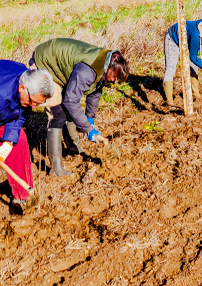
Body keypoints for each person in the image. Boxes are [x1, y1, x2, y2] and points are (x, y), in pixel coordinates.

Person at [30, 38, 129, 177]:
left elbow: (95, 92)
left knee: (71, 111)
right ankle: (56, 168)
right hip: (46, 64)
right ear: (111, 66)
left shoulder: (104, 66)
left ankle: (74, 149)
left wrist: (90, 118)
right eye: (114, 76)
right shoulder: (88, 70)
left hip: (61, 69)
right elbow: (71, 101)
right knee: (58, 113)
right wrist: (88, 130)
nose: (113, 80)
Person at [0, 62, 56, 209]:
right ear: (22, 88)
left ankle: (22, 195)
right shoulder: (2, 95)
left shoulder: (29, 78)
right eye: (33, 102)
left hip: (5, 110)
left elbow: (20, 114)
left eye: (38, 103)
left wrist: (8, 142)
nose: (34, 107)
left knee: (19, 139)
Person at [162, 19, 202, 106]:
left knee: (194, 66)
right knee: (171, 68)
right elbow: (192, 56)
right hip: (173, 38)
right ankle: (169, 102)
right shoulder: (197, 35)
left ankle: (196, 95)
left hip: (188, 41)